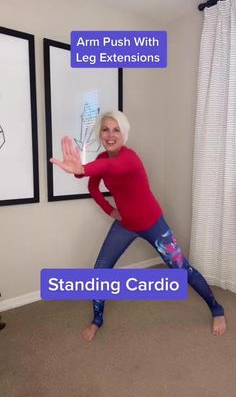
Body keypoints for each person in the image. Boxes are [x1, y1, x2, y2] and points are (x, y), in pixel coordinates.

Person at [50, 111, 226, 341]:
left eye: (116, 129)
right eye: (105, 129)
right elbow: (93, 187)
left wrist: (82, 169)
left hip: (153, 223)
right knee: (99, 271)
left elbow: (111, 169)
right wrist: (110, 210)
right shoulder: (102, 160)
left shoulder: (129, 158)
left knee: (182, 269)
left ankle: (216, 308)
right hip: (126, 225)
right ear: (100, 134)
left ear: (124, 134)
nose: (110, 134)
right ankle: (97, 320)